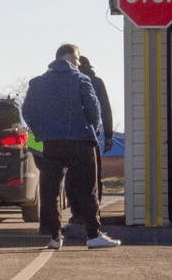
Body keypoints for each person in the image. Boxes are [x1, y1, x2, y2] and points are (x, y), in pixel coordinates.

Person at [22, 43, 121, 250]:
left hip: (51, 144)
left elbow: (27, 111)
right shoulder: (82, 80)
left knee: (50, 190)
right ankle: (93, 235)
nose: (79, 63)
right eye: (77, 59)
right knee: (88, 189)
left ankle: (54, 237)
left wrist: (41, 132)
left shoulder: (38, 83)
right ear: (68, 58)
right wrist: (90, 131)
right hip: (81, 142)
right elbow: (94, 110)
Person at [75, 53, 113, 205]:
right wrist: (108, 136)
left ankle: (76, 212)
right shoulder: (97, 82)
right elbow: (105, 110)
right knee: (94, 175)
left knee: (73, 175)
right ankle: (95, 210)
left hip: (68, 136)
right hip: (91, 137)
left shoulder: (68, 81)